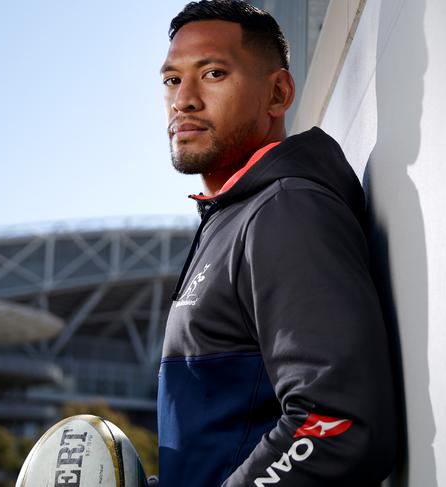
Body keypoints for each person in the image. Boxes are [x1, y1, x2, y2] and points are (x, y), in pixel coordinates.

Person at [155, 1, 397, 486]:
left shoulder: (283, 210)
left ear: (278, 92)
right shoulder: (230, 218)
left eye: (214, 73)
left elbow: (335, 423)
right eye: (172, 80)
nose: (184, 100)